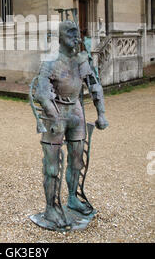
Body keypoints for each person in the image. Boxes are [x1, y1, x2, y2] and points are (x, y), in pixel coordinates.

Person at [35, 19, 108, 228]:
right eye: (71, 33)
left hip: (75, 111)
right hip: (55, 112)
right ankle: (51, 208)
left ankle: (73, 198)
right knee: (51, 165)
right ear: (59, 38)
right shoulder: (50, 61)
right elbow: (41, 92)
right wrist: (53, 115)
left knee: (77, 160)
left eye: (77, 33)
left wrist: (101, 113)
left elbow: (95, 86)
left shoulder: (81, 60)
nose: (76, 37)